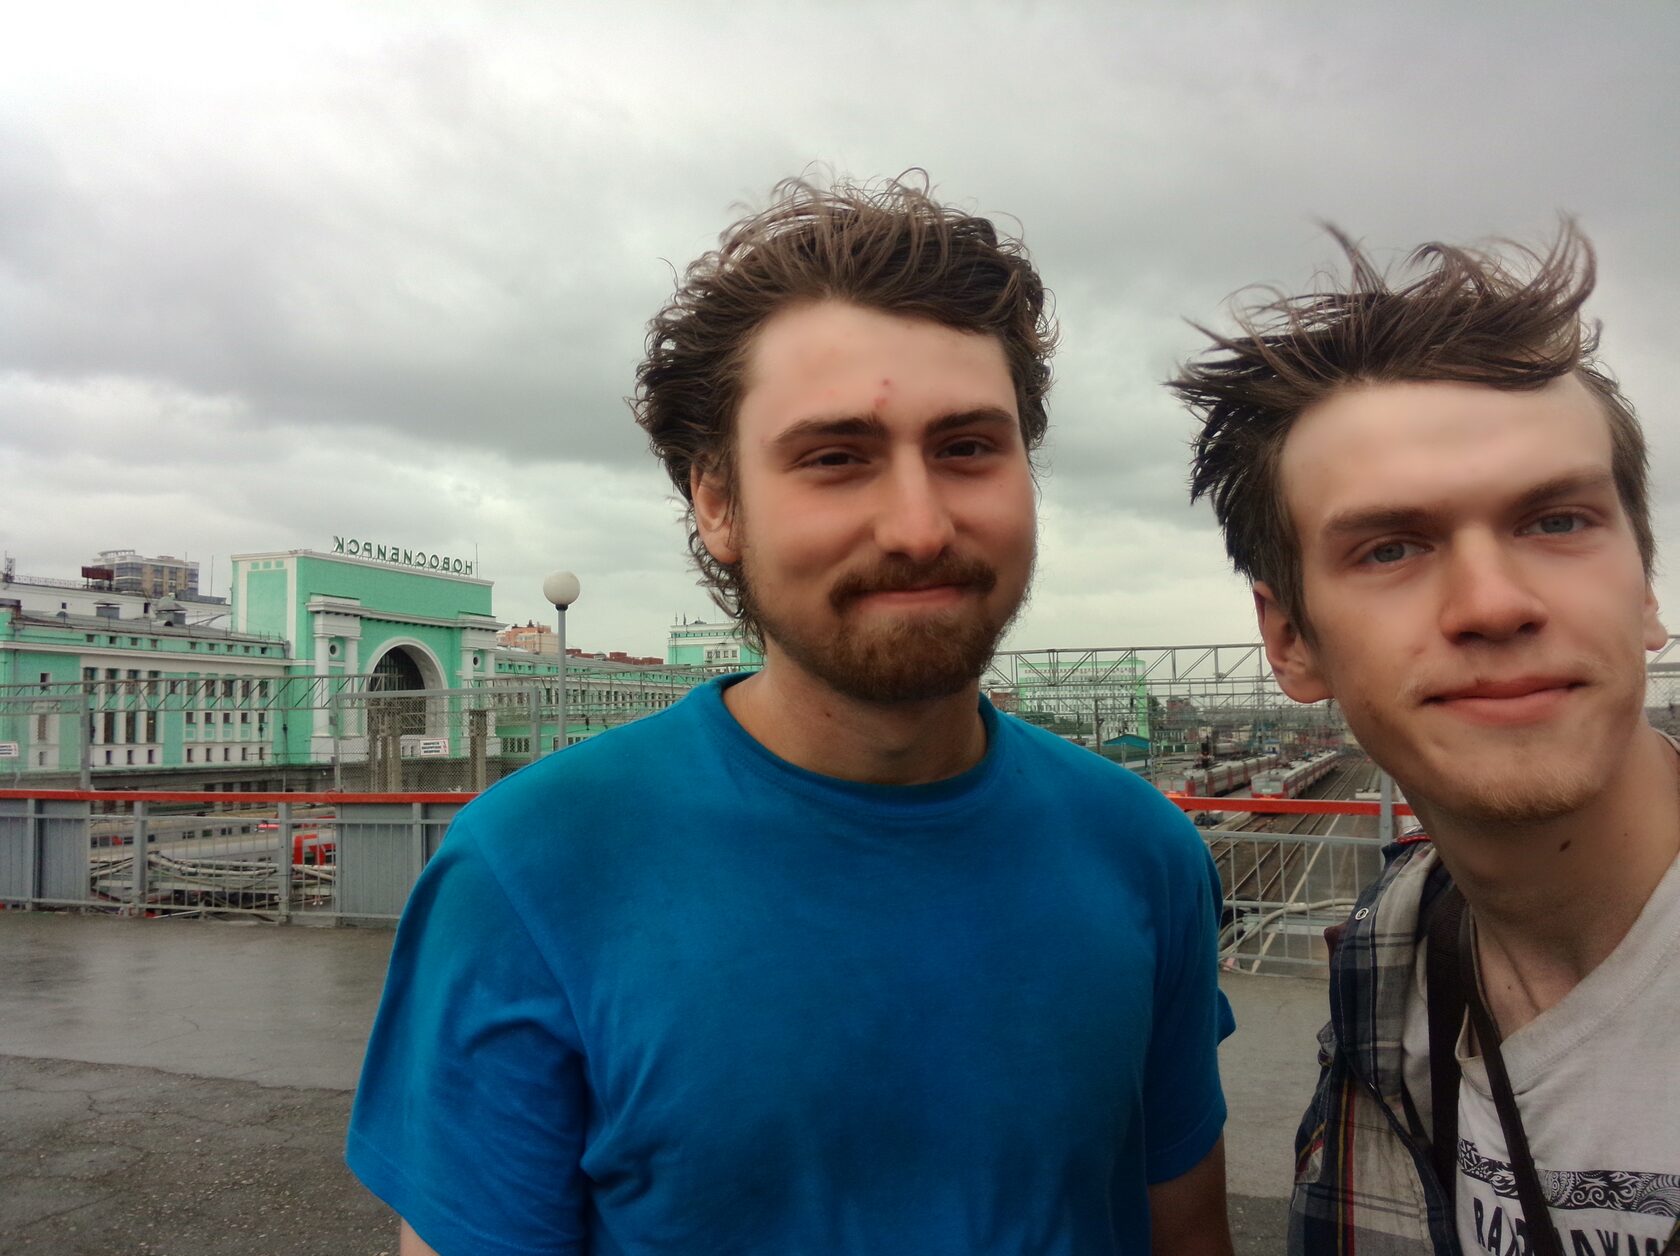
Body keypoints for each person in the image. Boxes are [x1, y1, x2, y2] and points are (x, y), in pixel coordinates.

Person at [348, 176, 1236, 1256]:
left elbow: (1185, 1232)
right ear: (717, 503)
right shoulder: (529, 871)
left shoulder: (1144, 851)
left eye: (967, 447)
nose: (918, 526)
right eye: (835, 458)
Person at [1172, 225, 1680, 1255]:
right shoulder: (1381, 967)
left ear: (1646, 587)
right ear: (1290, 639)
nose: (1493, 603)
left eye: (1557, 521)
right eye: (1391, 547)